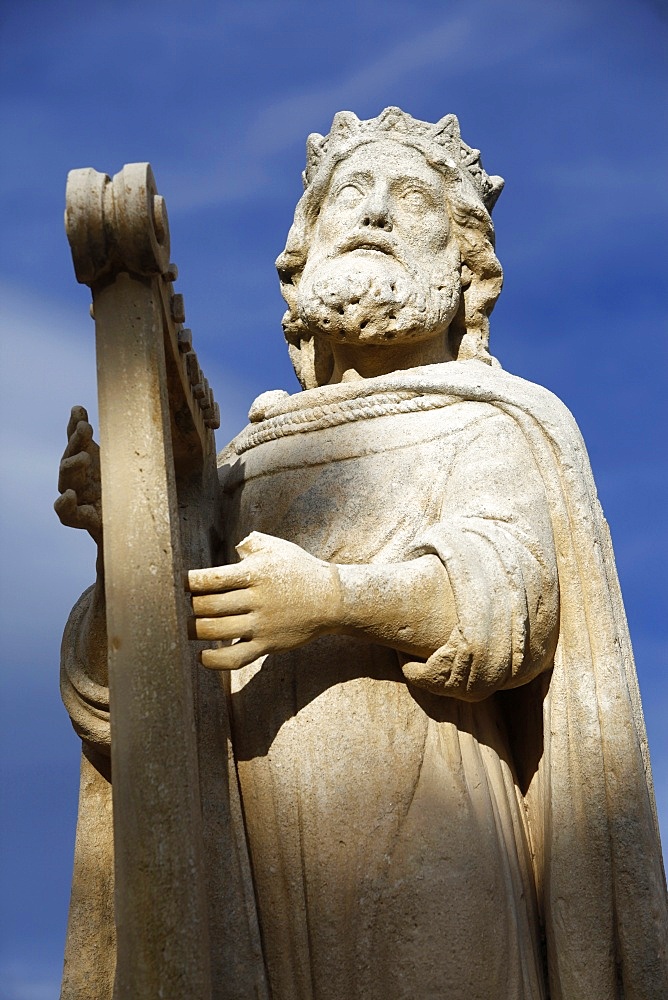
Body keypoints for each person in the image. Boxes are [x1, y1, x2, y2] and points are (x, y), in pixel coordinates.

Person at [57, 108, 667, 999]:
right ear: (302, 259)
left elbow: (508, 601)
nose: (375, 212)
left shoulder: (491, 421)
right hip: (246, 851)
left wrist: (332, 598)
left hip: (437, 839)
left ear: (468, 277)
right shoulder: (235, 469)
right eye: (352, 192)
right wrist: (130, 545)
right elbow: (135, 701)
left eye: (411, 196)